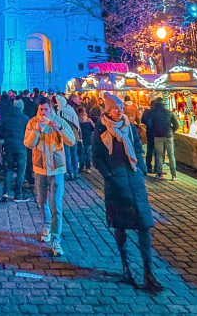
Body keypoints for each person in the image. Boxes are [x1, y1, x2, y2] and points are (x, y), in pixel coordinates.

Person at [92, 93, 162, 293]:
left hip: (135, 181)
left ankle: (149, 272)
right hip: (116, 184)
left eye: (120, 107)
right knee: (120, 227)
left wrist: (141, 169)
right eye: (115, 108)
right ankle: (126, 268)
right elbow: (96, 158)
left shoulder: (129, 127)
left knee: (144, 227)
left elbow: (138, 148)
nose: (119, 111)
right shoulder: (100, 130)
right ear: (107, 110)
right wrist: (109, 175)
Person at [24, 96, 75, 257]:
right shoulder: (33, 122)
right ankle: (47, 224)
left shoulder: (59, 121)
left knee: (56, 204)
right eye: (40, 109)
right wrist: (36, 130)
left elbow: (71, 141)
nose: (43, 112)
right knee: (41, 201)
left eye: (46, 109)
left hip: (57, 168)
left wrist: (60, 127)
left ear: (51, 109)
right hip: (40, 168)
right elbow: (28, 144)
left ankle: (56, 238)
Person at [0, 99, 30, 202]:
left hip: (9, 145)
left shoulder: (6, 117)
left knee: (9, 169)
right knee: (21, 170)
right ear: (22, 107)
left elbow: (1, 129)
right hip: (21, 146)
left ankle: (5, 192)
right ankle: (18, 194)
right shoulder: (25, 118)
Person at [147, 98, 179, 180]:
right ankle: (174, 174)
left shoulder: (153, 113)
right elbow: (176, 125)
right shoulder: (169, 112)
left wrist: (153, 131)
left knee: (159, 155)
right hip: (168, 135)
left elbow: (150, 124)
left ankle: (159, 173)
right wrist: (171, 130)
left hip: (158, 136)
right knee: (171, 155)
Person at [54, 95, 81, 180]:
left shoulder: (59, 111)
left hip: (66, 134)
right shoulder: (70, 109)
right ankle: (76, 171)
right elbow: (76, 122)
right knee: (74, 154)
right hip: (74, 134)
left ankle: (69, 172)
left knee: (67, 155)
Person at [77, 107, 95, 173]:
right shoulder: (88, 120)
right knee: (88, 154)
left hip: (81, 139)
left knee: (81, 154)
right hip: (88, 139)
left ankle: (81, 167)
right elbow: (94, 128)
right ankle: (88, 167)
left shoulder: (77, 120)